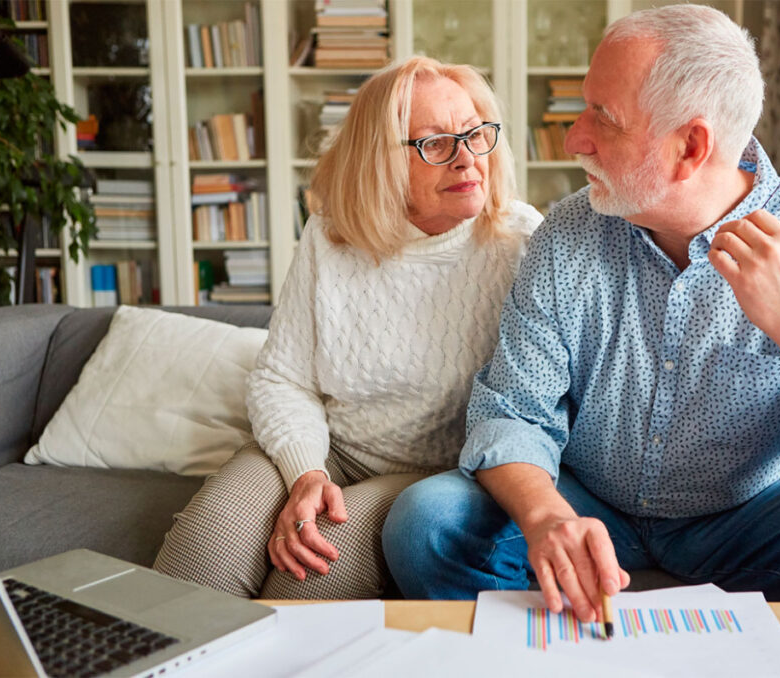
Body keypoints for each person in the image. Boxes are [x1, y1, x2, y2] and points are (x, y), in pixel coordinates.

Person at [381, 6, 780, 677]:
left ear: (690, 147)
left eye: (601, 118)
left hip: (753, 511)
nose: (573, 138)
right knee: (427, 522)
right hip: (591, 502)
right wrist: (547, 516)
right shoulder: (567, 235)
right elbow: (512, 410)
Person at [153, 56, 542, 601]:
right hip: (332, 449)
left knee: (306, 575)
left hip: (436, 476)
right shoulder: (330, 234)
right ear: (380, 161)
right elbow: (283, 379)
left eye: (476, 134)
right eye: (434, 143)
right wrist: (306, 474)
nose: (466, 159)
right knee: (202, 553)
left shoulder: (522, 242)